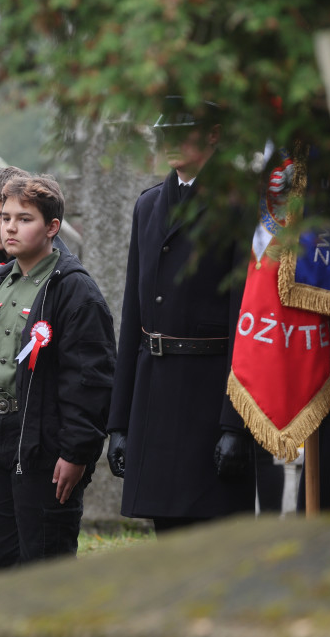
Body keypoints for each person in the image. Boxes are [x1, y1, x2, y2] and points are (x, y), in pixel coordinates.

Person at [0, 175, 115, 570]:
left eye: (24, 219)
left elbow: (90, 377)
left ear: (52, 228)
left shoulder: (72, 289)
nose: (10, 228)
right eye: (7, 218)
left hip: (40, 440)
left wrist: (76, 451)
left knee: (42, 561)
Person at [106, 97, 256, 534]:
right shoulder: (149, 205)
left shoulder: (238, 203)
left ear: (213, 135)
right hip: (155, 394)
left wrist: (235, 423)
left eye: (183, 129)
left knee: (214, 538)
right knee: (167, 535)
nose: (168, 140)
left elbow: (243, 318)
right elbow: (133, 315)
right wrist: (120, 422)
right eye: (164, 130)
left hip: (210, 395)